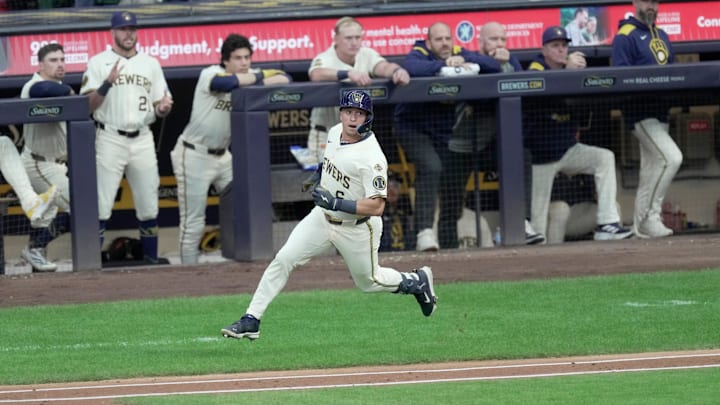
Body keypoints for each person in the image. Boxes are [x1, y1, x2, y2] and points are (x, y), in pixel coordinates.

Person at [221, 90, 437, 341]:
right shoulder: (335, 132)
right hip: (321, 218)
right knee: (284, 259)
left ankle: (415, 282)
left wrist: (336, 201)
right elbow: (330, 160)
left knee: (369, 282)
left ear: (368, 117)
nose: (353, 118)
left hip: (357, 227)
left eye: (359, 113)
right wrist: (318, 176)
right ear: (341, 113)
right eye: (348, 112)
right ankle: (251, 319)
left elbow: (377, 206)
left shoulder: (372, 158)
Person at [170, 34, 291, 264]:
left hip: (223, 156)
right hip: (194, 153)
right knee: (193, 221)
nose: (244, 62)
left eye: (247, 57)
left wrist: (257, 78)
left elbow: (287, 77)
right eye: (238, 58)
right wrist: (261, 77)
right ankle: (187, 276)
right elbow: (224, 84)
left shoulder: (249, 77)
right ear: (226, 60)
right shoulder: (210, 73)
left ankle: (241, 263)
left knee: (245, 205)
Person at [394, 22, 502, 251]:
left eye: (447, 39)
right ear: (429, 41)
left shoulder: (458, 52)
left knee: (453, 187)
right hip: (412, 128)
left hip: (443, 135)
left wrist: (466, 62)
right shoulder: (419, 52)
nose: (444, 43)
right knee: (431, 167)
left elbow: (493, 66)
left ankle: (451, 247)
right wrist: (443, 65)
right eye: (439, 39)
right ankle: (424, 232)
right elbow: (412, 68)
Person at [80, 11, 173, 262]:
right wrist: (107, 83)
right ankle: (92, 265)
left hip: (142, 137)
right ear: (113, 32)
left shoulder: (150, 63)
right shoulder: (98, 62)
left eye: (132, 28)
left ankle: (151, 262)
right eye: (123, 29)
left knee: (149, 204)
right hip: (110, 136)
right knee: (101, 204)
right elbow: (88, 105)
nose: (128, 33)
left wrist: (163, 108)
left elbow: (161, 103)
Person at [525, 26, 632, 241]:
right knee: (537, 225)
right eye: (555, 46)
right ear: (544, 49)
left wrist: (579, 74)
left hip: (567, 150)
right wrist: (567, 72)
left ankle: (607, 223)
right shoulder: (536, 66)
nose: (561, 50)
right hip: (541, 158)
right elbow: (540, 87)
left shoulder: (569, 68)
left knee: (604, 158)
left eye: (564, 46)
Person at [446, 21, 544, 246]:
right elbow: (479, 94)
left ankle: (519, 222)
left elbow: (525, 86)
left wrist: (505, 62)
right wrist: (494, 62)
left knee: (521, 155)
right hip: (460, 146)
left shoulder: (510, 61)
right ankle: (446, 243)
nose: (499, 44)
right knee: (451, 202)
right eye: (493, 39)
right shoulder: (468, 57)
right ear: (481, 41)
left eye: (502, 39)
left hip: (490, 146)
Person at [611, 0, 683, 238]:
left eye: (655, 2)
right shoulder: (625, 35)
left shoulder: (662, 35)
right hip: (640, 114)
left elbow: (674, 74)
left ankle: (639, 228)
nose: (651, 6)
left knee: (651, 171)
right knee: (671, 158)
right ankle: (649, 218)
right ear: (635, 3)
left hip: (662, 113)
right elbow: (620, 81)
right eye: (646, 1)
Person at [306, 16, 410, 163]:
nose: (354, 42)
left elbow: (383, 67)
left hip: (356, 134)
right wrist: (347, 74)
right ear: (336, 39)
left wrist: (397, 71)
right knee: (327, 182)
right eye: (348, 38)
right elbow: (316, 74)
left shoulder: (366, 54)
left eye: (357, 37)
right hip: (326, 133)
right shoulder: (325, 57)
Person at [19, 43, 73, 272]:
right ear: (40, 65)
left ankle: (36, 251)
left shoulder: (58, 86)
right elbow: (42, 92)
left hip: (56, 163)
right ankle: (35, 248)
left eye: (62, 59)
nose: (60, 63)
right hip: (38, 162)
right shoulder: (34, 85)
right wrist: (70, 92)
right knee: (83, 209)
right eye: (53, 60)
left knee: (46, 213)